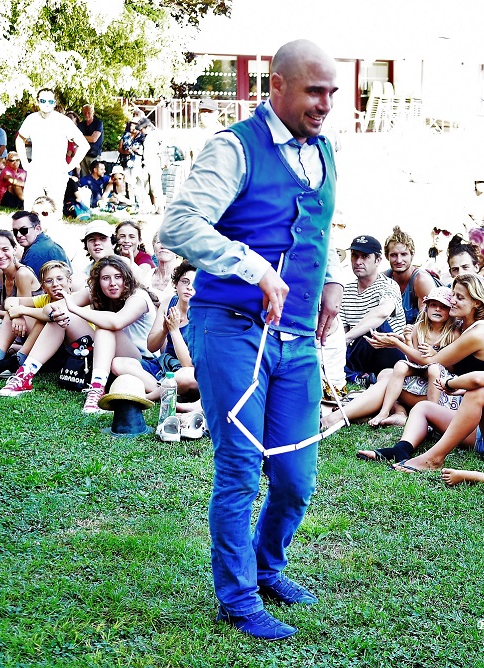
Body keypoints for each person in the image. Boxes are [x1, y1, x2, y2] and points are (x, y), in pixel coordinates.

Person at [160, 39, 342, 640]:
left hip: (298, 337)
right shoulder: (234, 147)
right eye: (314, 91)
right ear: (277, 85)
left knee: (295, 476)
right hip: (233, 328)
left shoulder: (326, 150)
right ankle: (237, 599)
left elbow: (320, 227)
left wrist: (332, 284)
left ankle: (267, 567)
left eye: (332, 93)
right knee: (240, 467)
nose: (325, 104)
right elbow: (179, 225)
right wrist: (252, 266)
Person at [383, 310, 484, 473]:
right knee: (423, 407)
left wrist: (450, 383)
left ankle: (434, 459)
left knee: (479, 391)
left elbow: (478, 381)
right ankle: (401, 449)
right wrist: (461, 390)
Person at [0, 256, 157, 415]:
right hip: (103, 354)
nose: (112, 283)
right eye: (106, 278)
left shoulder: (138, 297)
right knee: (61, 317)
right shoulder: (95, 292)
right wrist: (52, 312)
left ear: (127, 278)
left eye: (118, 277)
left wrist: (74, 308)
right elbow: (51, 308)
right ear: (98, 281)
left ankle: (97, 389)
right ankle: (25, 374)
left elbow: (116, 322)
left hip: (138, 360)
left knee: (105, 326)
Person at [343, 275, 484, 434]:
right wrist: (403, 340)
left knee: (388, 379)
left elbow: (432, 361)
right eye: (453, 295)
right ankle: (395, 412)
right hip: (448, 386)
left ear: (477, 302)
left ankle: (341, 416)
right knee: (387, 373)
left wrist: (396, 344)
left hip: (461, 398)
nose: (453, 301)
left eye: (460, 297)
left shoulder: (477, 332)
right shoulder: (463, 323)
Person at [325, 286, 461, 429]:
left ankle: (432, 416)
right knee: (398, 366)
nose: (438, 309)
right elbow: (414, 359)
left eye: (443, 307)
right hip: (420, 372)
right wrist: (407, 341)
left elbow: (452, 366)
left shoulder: (452, 334)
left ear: (450, 311)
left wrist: (435, 355)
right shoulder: (419, 328)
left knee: (433, 368)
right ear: (426, 307)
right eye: (433, 305)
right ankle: (385, 411)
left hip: (439, 378)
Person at [110, 261, 199, 407]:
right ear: (176, 284)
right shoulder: (169, 302)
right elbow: (151, 347)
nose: (189, 287)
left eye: (195, 284)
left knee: (187, 376)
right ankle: (166, 392)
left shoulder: (202, 314)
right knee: (119, 363)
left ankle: (148, 397)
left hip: (185, 371)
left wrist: (174, 330)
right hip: (163, 365)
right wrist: (164, 330)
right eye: (185, 281)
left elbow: (188, 365)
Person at [341, 234, 406, 379]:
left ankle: (355, 374)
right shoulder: (346, 291)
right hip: (360, 353)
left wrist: (346, 339)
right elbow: (343, 329)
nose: (358, 262)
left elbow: (383, 312)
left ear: (378, 260)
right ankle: (358, 376)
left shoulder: (388, 285)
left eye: (365, 257)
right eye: (355, 256)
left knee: (376, 327)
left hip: (389, 351)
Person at [16, 88, 89, 206]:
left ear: (54, 103)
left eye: (50, 101)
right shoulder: (31, 119)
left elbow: (84, 145)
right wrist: (24, 163)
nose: (46, 104)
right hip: (36, 170)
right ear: (38, 101)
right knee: (30, 209)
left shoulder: (64, 121)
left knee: (55, 210)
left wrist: (69, 167)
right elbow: (20, 139)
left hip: (57, 173)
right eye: (43, 100)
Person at [383, 226, 436, 325]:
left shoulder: (421, 281)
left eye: (404, 254)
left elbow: (429, 323)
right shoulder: (384, 279)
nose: (399, 260)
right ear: (387, 256)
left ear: (412, 255)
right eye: (394, 255)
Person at [11, 210, 69, 276]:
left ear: (37, 229)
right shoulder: (47, 241)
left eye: (23, 230)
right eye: (15, 231)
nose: (18, 235)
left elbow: (25, 279)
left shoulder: (35, 252)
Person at [77, 104, 104, 174]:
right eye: (85, 113)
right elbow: (76, 139)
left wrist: (81, 137)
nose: (87, 114)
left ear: (93, 113)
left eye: (89, 112)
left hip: (94, 155)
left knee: (95, 175)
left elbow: (93, 139)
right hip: (83, 155)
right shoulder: (81, 125)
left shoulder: (98, 123)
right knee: (84, 177)